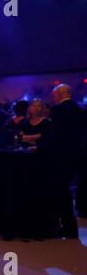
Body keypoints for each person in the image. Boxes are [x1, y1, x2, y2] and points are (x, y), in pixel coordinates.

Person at [40, 84, 86, 238]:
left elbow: (56, 136)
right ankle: (67, 226)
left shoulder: (58, 110)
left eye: (54, 95)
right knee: (64, 190)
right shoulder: (80, 110)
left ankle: (68, 227)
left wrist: (41, 148)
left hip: (60, 157)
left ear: (59, 95)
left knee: (61, 191)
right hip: (76, 157)